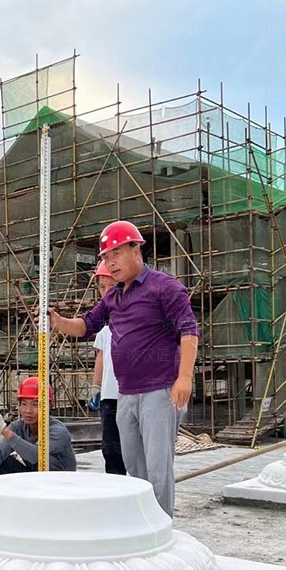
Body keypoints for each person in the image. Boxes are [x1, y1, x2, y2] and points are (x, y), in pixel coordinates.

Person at [43, 220, 199, 518]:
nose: (110, 262)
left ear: (136, 248)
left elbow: (189, 331)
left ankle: (161, 526)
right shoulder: (114, 297)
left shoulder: (164, 288)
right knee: (134, 467)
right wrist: (58, 321)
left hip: (159, 390)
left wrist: (184, 378)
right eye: (105, 257)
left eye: (116, 253)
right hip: (126, 394)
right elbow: (87, 325)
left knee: (158, 467)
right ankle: (141, 523)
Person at [0, 377, 77, 476]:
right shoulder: (18, 426)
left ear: (48, 406)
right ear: (19, 405)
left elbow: (35, 455)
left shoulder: (58, 431)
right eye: (24, 404)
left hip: (61, 482)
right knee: (0, 461)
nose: (28, 410)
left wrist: (5, 430)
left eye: (35, 405)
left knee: (44, 459)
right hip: (34, 478)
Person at [88, 260, 126, 475]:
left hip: (132, 393)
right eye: (101, 287)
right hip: (110, 396)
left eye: (109, 286)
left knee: (135, 448)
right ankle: (116, 484)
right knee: (111, 448)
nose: (105, 292)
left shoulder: (134, 315)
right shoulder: (104, 321)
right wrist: (96, 386)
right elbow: (102, 355)